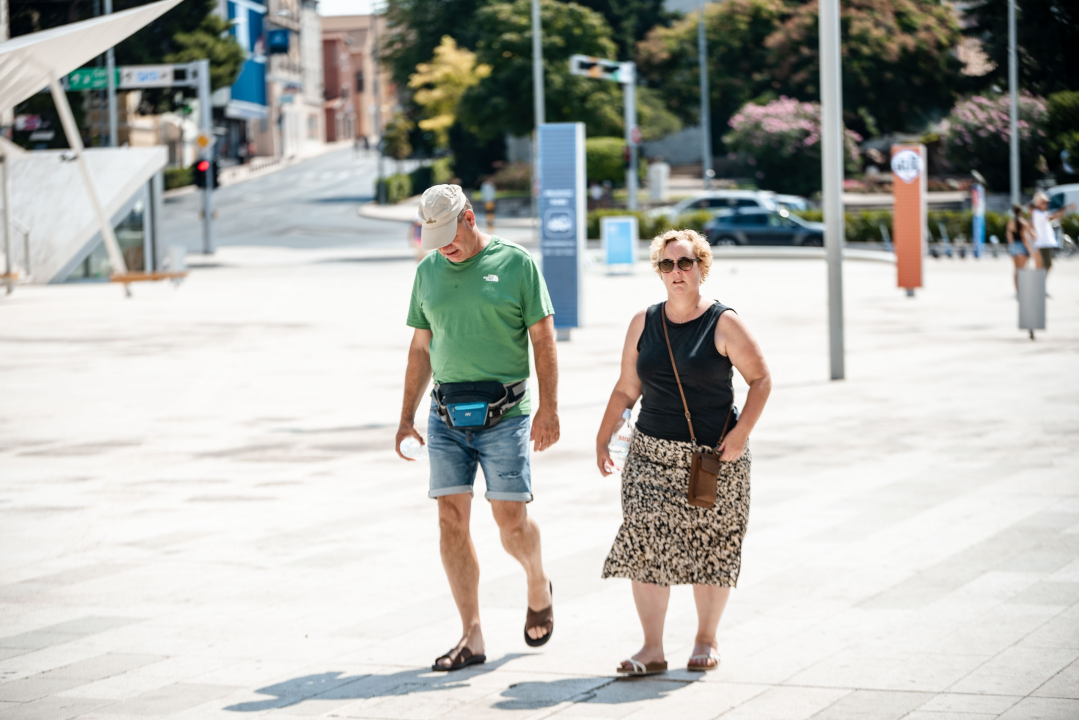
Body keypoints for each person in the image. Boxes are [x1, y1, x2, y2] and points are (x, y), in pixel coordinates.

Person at [396, 184, 559, 672]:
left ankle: (536, 580)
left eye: (450, 233)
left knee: (510, 521)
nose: (444, 245)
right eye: (435, 236)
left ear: (469, 218)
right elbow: (421, 349)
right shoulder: (427, 271)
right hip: (446, 417)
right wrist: (406, 415)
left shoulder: (516, 264)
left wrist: (548, 408)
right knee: (450, 519)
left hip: (506, 416)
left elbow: (544, 340)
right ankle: (471, 635)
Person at [596, 229, 771, 675]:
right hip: (650, 454)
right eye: (667, 265)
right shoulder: (644, 322)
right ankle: (652, 649)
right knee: (644, 544)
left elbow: (761, 380)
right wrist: (603, 435)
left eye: (685, 263)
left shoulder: (723, 322)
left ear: (701, 268)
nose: (677, 272)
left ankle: (706, 639)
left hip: (713, 459)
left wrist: (742, 433)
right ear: (659, 271)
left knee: (711, 547)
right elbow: (626, 387)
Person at [1030, 191, 1076, 283]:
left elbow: (1055, 216)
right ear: (1038, 203)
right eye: (1043, 202)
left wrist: (1064, 210)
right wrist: (1066, 208)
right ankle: (1040, 285)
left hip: (1045, 243)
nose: (1046, 204)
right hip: (1043, 244)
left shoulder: (1041, 213)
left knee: (1046, 266)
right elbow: (1053, 216)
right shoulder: (1038, 213)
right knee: (1045, 266)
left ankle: (1041, 285)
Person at [1005, 204, 1033, 289]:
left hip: (1013, 247)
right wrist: (1028, 249)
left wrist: (1012, 245)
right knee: (1022, 269)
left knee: (1016, 270)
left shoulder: (1011, 222)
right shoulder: (1023, 222)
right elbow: (1024, 237)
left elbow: (1009, 236)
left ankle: (1017, 289)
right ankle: (1022, 289)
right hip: (1021, 246)